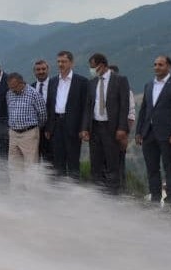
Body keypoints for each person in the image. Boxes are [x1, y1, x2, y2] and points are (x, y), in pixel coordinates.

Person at [135, 54, 171, 206]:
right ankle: (155, 199)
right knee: (152, 168)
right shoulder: (149, 85)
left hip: (168, 134)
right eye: (155, 64)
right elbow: (144, 109)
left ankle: (170, 200)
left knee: (169, 167)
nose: (157, 67)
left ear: (168, 67)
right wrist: (139, 131)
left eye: (160, 65)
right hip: (148, 133)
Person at [82, 53, 131, 194]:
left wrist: (122, 127)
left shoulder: (120, 80)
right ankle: (98, 195)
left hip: (112, 128)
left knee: (112, 163)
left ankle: (113, 195)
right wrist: (85, 128)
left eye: (93, 67)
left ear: (102, 65)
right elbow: (88, 107)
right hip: (95, 127)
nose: (91, 70)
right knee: (96, 164)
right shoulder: (92, 83)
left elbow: (124, 105)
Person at [45, 51, 87, 179]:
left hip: (73, 126)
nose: (60, 64)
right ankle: (59, 192)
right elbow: (49, 105)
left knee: (73, 160)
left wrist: (83, 128)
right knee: (58, 160)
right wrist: (48, 127)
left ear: (71, 63)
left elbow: (85, 107)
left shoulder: (81, 82)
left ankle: (73, 192)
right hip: (56, 125)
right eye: (58, 61)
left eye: (63, 61)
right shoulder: (52, 81)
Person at [4, 72, 48, 188]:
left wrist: (34, 129)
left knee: (30, 165)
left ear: (21, 83)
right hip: (13, 133)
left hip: (29, 133)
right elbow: (10, 111)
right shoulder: (9, 94)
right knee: (14, 165)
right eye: (10, 87)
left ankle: (32, 194)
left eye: (14, 87)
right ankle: (16, 192)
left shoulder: (34, 94)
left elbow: (42, 115)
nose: (12, 89)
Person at [32, 59, 52, 166]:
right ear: (34, 72)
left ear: (48, 70)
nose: (41, 71)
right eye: (38, 69)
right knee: (35, 158)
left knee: (50, 159)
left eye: (43, 69)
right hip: (34, 130)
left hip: (52, 129)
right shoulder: (31, 87)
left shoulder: (55, 84)